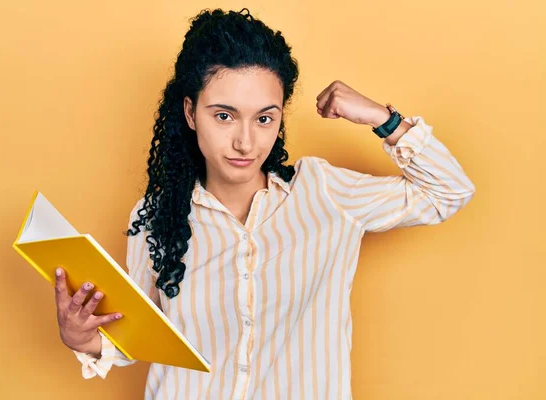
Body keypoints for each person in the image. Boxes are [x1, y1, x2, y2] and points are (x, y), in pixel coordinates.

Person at [53, 8, 475, 399]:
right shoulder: (155, 215)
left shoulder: (324, 193)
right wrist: (82, 337)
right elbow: (137, 336)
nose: (245, 141)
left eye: (264, 118)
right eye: (224, 115)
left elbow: (449, 192)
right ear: (189, 112)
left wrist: (381, 118)